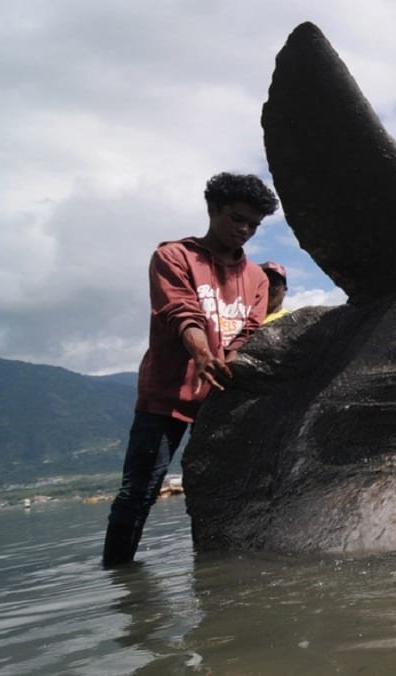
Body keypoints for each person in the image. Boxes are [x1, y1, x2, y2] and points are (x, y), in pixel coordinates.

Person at [102, 172, 279, 567]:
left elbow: (249, 331)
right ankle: (118, 578)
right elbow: (182, 311)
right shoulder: (173, 257)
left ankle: (211, 573)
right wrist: (202, 353)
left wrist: (229, 360)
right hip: (165, 396)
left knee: (214, 488)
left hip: (220, 399)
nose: (245, 230)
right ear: (213, 209)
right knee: (140, 490)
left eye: (253, 224)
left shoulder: (256, 278)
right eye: (237, 219)